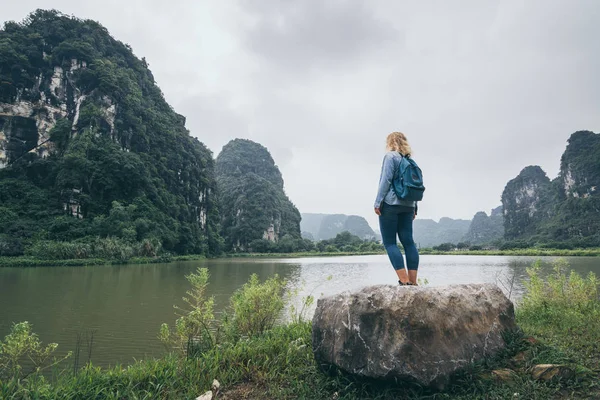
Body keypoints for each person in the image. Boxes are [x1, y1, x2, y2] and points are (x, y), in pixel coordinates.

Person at [374, 132, 420, 285]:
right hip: (408, 205)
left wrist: (378, 202)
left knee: (390, 243)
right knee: (409, 242)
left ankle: (404, 281)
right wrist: (414, 208)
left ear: (390, 142)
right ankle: (413, 282)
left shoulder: (391, 157)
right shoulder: (410, 161)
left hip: (391, 204)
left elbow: (385, 180)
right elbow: (414, 186)